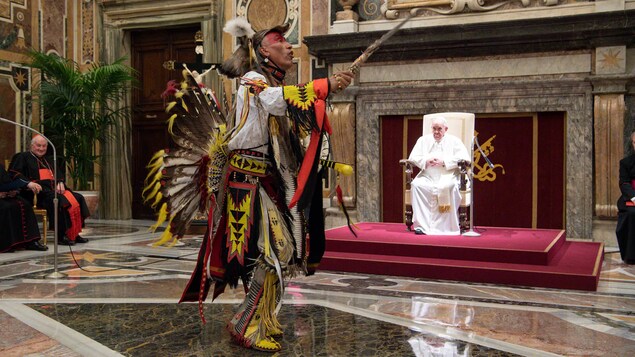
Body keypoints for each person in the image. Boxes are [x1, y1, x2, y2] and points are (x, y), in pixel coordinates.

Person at [179, 19, 353, 352]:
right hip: (246, 182)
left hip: (265, 179)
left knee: (276, 254)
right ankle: (246, 323)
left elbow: (291, 108)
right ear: (263, 50)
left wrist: (329, 88)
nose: (289, 46)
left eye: (288, 43)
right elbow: (275, 100)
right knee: (273, 252)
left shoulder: (272, 81)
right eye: (281, 42)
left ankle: (260, 320)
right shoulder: (254, 79)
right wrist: (323, 85)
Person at [9, 135, 90, 246]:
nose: (41, 149)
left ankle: (74, 233)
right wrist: (28, 183)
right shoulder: (22, 157)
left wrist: (60, 182)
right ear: (32, 146)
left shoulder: (50, 159)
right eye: (38, 146)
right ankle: (61, 236)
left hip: (52, 191)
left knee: (78, 197)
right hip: (35, 194)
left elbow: (58, 175)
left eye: (44, 146)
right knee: (59, 200)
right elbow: (14, 173)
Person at [408, 116, 470, 235]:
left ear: (445, 129)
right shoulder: (422, 140)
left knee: (449, 186)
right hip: (428, 175)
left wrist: (444, 162)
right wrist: (426, 161)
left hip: (449, 175)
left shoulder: (455, 141)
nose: (436, 132)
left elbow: (464, 159)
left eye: (439, 129)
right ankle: (421, 226)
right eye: (434, 129)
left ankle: (446, 227)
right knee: (417, 185)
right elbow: (413, 158)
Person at [0, 164, 48, 252]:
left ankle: (31, 241)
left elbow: (7, 181)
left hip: (5, 195)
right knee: (6, 207)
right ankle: (7, 244)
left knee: (25, 204)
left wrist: (14, 191)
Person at [616, 130, 635, 264]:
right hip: (631, 197)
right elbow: (624, 183)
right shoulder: (626, 162)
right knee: (632, 213)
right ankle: (631, 256)